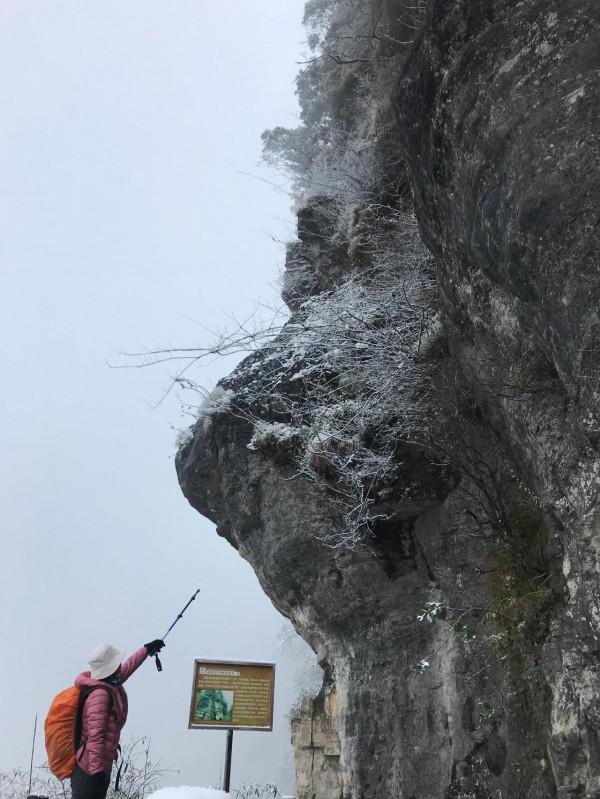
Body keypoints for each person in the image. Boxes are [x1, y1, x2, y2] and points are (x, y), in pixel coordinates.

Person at [70, 639, 165, 799]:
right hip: (89, 771)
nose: (120, 665)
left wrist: (146, 650)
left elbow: (127, 667)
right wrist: (97, 772)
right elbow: (96, 737)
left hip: (97, 767)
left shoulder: (108, 683)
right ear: (110, 668)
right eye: (117, 663)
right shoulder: (100, 695)